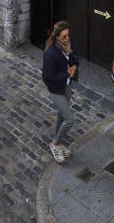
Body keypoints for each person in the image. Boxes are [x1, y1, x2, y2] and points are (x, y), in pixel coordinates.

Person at [42, 20, 78, 164]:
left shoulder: (67, 46)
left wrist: (74, 66)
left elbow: (74, 58)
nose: (67, 38)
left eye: (68, 35)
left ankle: (59, 142)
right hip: (56, 90)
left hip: (66, 87)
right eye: (64, 36)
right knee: (70, 120)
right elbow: (47, 77)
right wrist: (66, 74)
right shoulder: (51, 54)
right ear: (56, 37)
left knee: (62, 117)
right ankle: (55, 144)